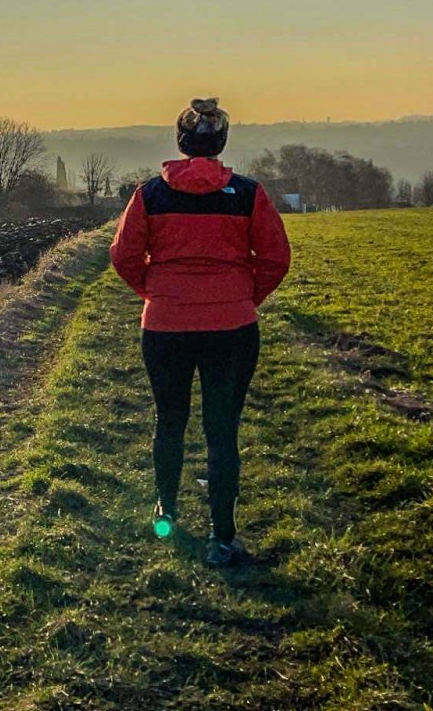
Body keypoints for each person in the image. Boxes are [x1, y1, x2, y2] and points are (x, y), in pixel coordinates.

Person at [109, 98, 291, 567]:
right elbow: (276, 258)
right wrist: (245, 297)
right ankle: (222, 537)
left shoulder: (149, 194)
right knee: (222, 429)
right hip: (232, 327)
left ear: (181, 142)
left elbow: (123, 256)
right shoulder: (249, 194)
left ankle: (166, 514)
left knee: (169, 420)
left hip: (165, 326)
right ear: (222, 142)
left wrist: (154, 292)